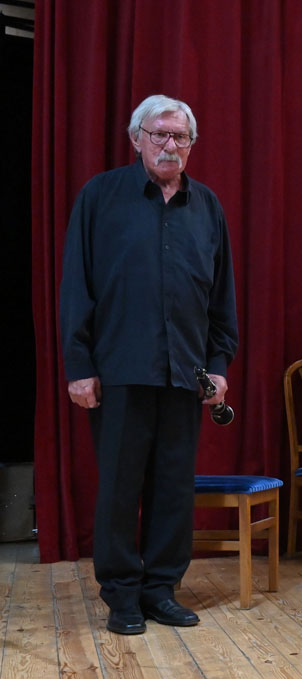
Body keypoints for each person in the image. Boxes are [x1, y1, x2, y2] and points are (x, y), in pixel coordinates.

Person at [60, 94, 238, 634]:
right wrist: (78, 364)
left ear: (191, 145)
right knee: (119, 486)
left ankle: (161, 589)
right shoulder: (100, 196)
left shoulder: (207, 206)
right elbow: (76, 285)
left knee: (173, 487)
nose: (169, 145)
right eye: (159, 134)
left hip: (186, 372)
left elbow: (220, 296)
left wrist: (218, 363)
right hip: (119, 369)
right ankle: (122, 595)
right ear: (136, 138)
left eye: (180, 136)